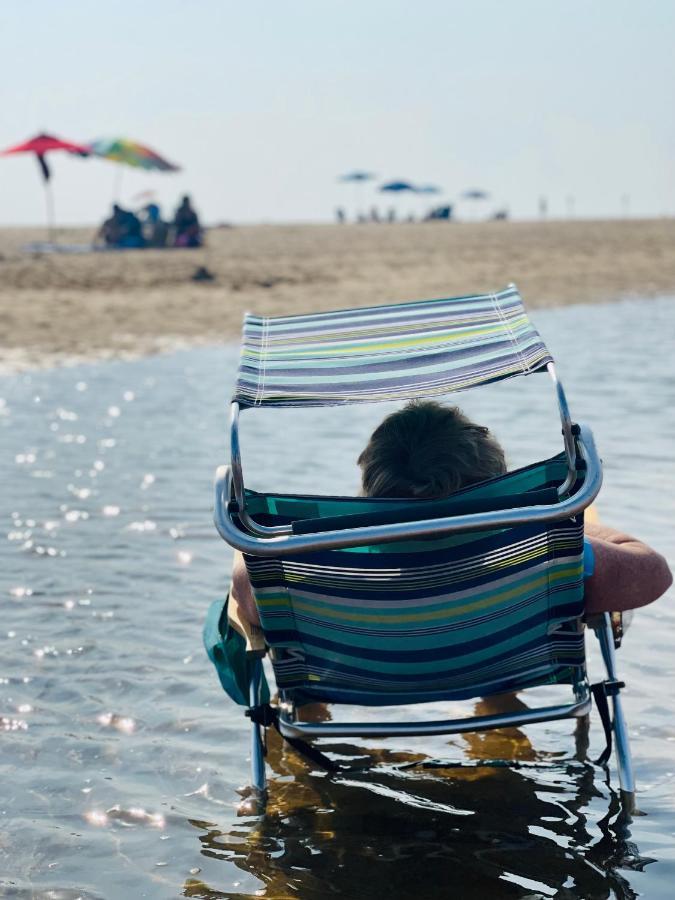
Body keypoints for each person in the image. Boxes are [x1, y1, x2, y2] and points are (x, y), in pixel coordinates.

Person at [231, 400, 671, 627]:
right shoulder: (540, 546)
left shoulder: (321, 560)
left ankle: (307, 728)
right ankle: (500, 711)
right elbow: (654, 576)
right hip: (500, 653)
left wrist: (248, 557)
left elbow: (250, 601)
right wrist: (572, 524)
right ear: (494, 482)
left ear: (371, 487)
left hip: (357, 681)